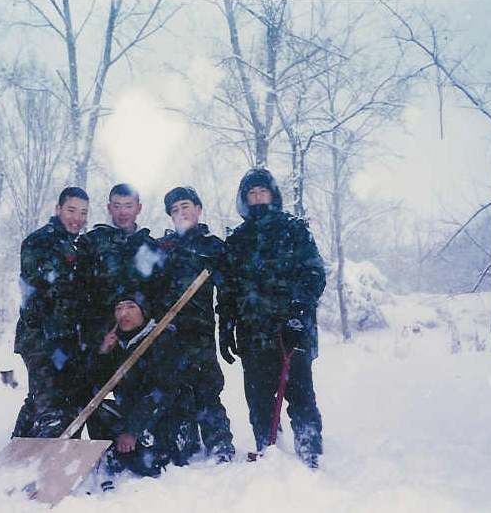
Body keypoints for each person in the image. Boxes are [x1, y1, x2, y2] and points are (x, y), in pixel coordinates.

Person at [217, 168, 326, 469]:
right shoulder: (237, 240)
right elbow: (227, 288)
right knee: (259, 401)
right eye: (251, 194)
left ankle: (310, 453)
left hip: (292, 333)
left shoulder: (294, 230)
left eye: (262, 192)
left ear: (273, 195)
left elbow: (314, 272)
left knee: (301, 397)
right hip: (253, 335)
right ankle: (269, 451)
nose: (257, 198)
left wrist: (298, 312)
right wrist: (226, 326)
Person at [157, 187, 235, 462]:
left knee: (207, 387)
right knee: (175, 388)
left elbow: (228, 292)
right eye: (174, 210)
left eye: (185, 207)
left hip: (200, 332)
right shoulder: (162, 248)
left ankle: (218, 442)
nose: (180, 214)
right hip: (167, 333)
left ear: (198, 208)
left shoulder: (212, 247)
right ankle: (183, 442)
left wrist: (227, 327)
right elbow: (147, 288)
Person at [88, 292, 199, 480]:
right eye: (118, 308)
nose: (123, 314)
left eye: (131, 307)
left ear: (144, 312)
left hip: (168, 417)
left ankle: (143, 450)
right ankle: (118, 451)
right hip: (135, 414)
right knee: (93, 409)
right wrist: (103, 353)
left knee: (147, 463)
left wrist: (133, 431)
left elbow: (163, 393)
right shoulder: (118, 344)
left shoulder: (163, 339)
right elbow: (98, 386)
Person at [11, 187, 90, 438]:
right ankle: (48, 466)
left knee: (45, 400)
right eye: (71, 210)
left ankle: (19, 446)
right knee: (50, 406)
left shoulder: (77, 246)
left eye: (83, 212)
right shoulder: (40, 241)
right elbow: (39, 291)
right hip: (41, 337)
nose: (76, 217)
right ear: (58, 209)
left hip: (66, 339)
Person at [76, 184, 163, 351]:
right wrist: (95, 336)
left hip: (143, 340)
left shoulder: (151, 246)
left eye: (128, 206)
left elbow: (159, 293)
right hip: (102, 338)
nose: (123, 212)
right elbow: (80, 292)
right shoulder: (91, 244)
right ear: (109, 208)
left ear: (139, 208)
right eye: (117, 206)